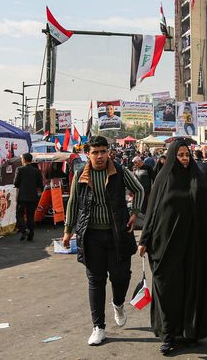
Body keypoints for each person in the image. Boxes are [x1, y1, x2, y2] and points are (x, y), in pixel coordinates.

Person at [138, 139, 207, 355]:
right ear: (173, 156)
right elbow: (152, 211)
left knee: (192, 287)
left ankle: (191, 332)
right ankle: (168, 334)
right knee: (167, 289)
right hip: (165, 245)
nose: (184, 158)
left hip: (193, 246)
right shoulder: (163, 179)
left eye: (186, 155)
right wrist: (144, 240)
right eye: (180, 155)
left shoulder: (197, 180)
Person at [62, 135, 143, 346]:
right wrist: (68, 230)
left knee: (121, 276)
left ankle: (118, 303)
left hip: (118, 234)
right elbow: (73, 203)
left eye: (103, 152)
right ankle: (98, 327)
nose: (99, 156)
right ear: (88, 154)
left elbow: (140, 189)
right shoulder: (80, 175)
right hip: (91, 235)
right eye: (95, 152)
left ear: (109, 152)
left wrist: (135, 212)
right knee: (95, 280)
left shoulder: (120, 171)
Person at [13, 153, 43, 242]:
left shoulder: (19, 169)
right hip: (33, 196)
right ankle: (31, 232)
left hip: (22, 196)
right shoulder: (36, 171)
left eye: (22, 159)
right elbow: (40, 184)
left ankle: (24, 230)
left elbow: (16, 183)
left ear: (24, 160)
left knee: (19, 214)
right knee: (30, 215)